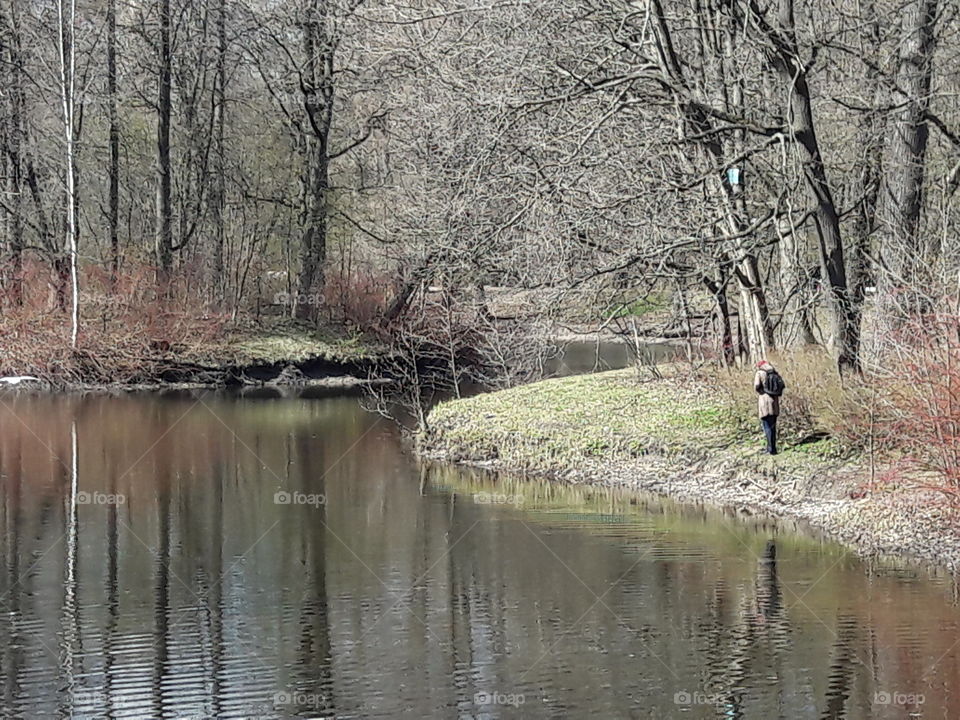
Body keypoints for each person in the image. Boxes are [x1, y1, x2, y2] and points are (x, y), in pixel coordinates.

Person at [754, 360, 781, 454]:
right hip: (774, 402)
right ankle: (774, 448)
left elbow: (757, 385)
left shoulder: (760, 373)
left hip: (764, 402)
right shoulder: (774, 373)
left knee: (767, 427)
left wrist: (761, 391)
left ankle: (770, 449)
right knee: (773, 426)